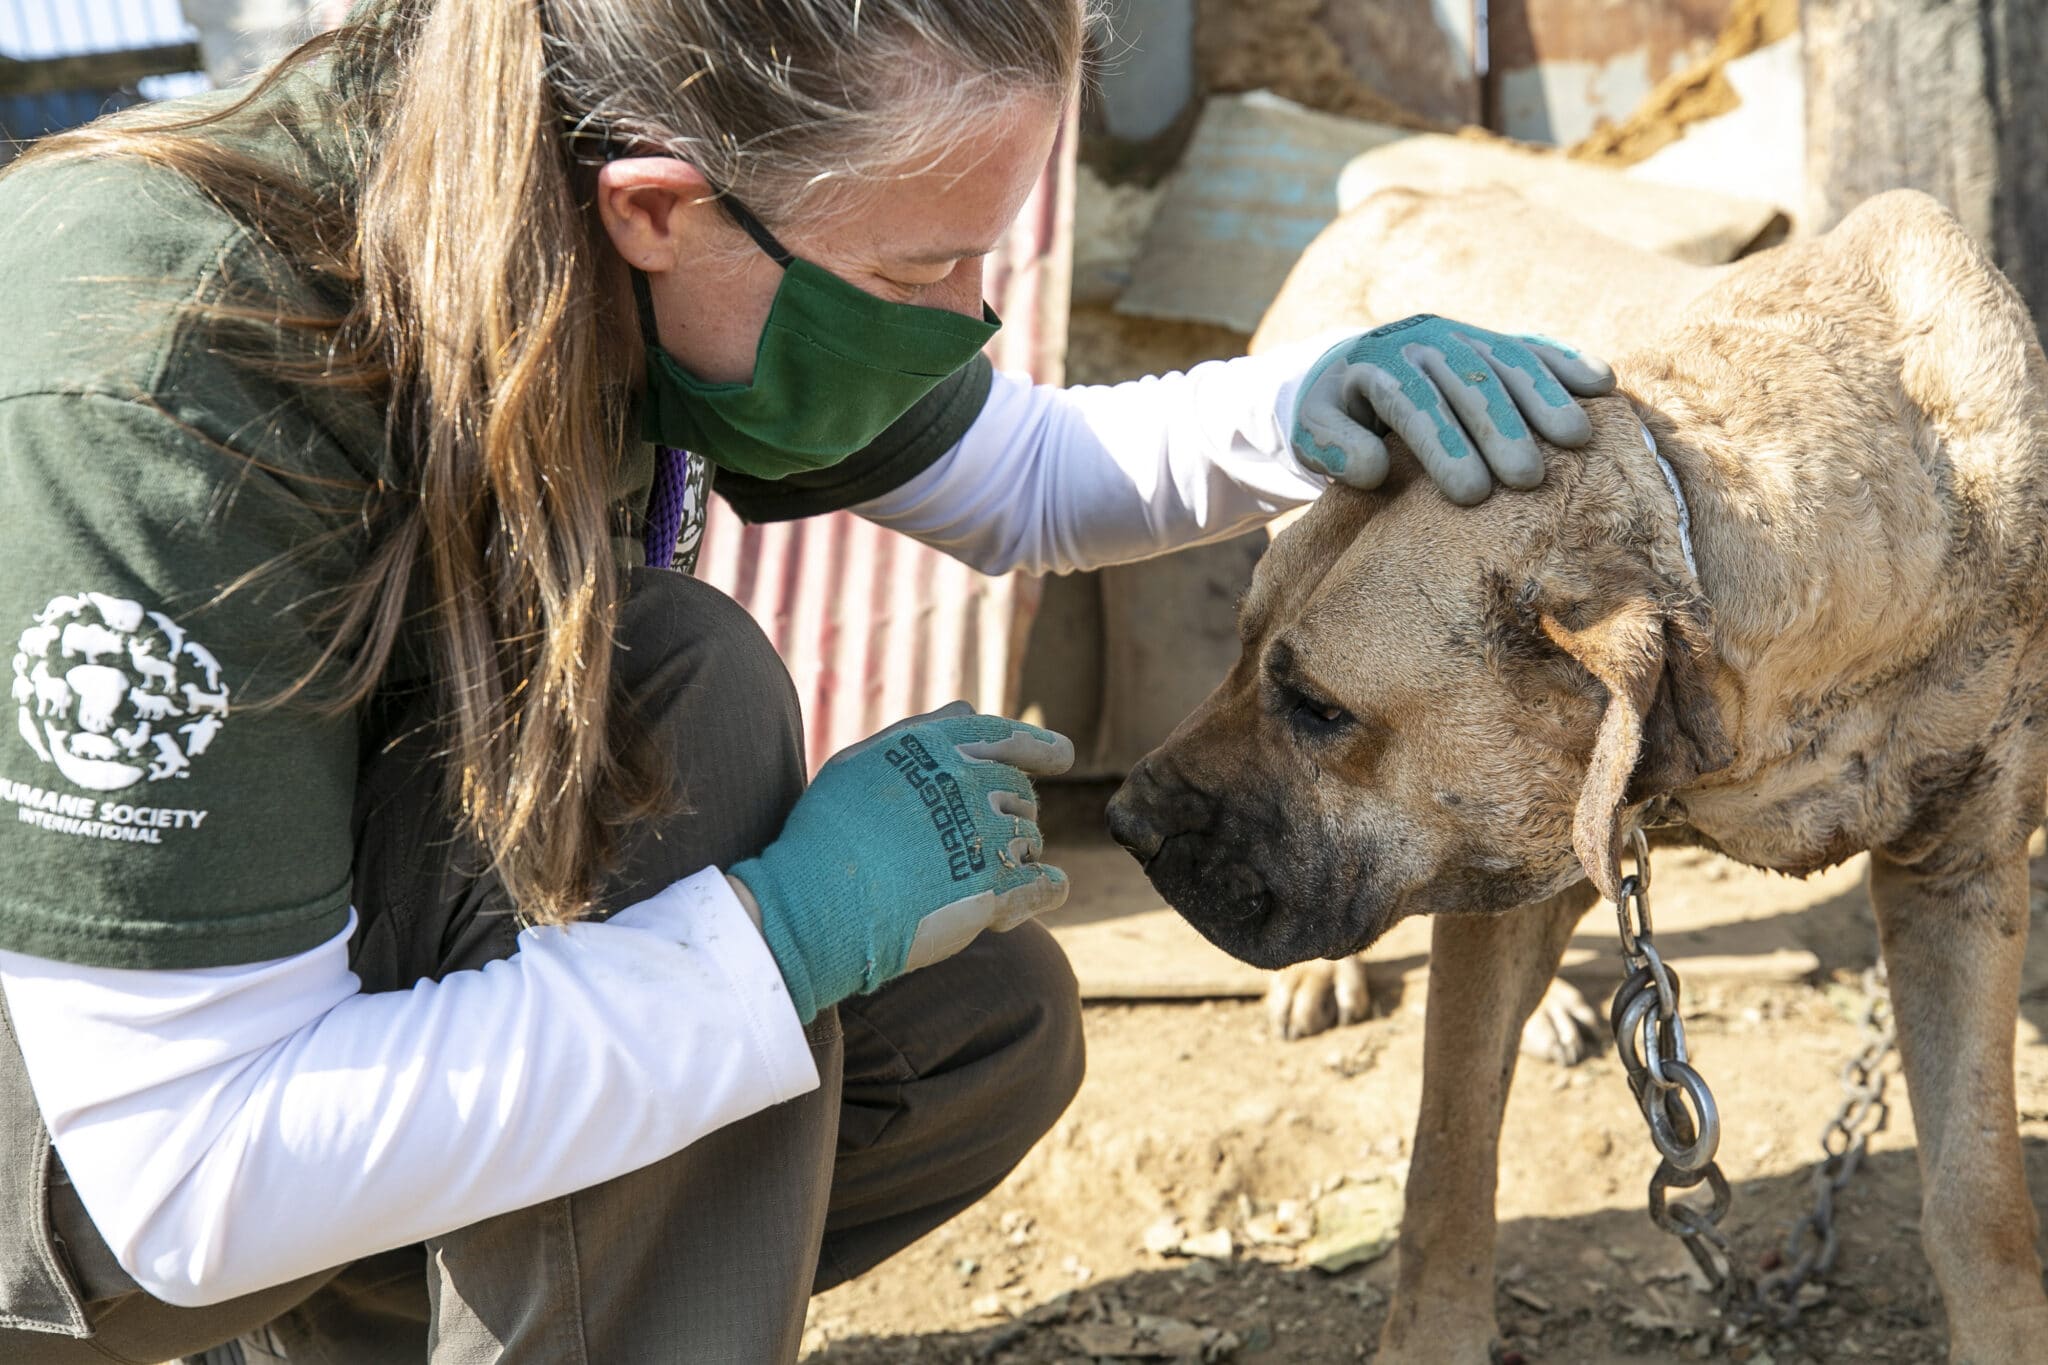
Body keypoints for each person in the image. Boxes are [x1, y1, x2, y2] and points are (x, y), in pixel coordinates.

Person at [0, 1, 1613, 1360]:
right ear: (657, 207)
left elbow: (1024, 472)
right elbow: (190, 1173)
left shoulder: (584, 206)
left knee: (968, 1033)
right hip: (100, 1159)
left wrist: (1311, 404)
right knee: (669, 703)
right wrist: (782, 937)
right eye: (921, 279)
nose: (966, 322)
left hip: (302, 1021)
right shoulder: (158, 382)